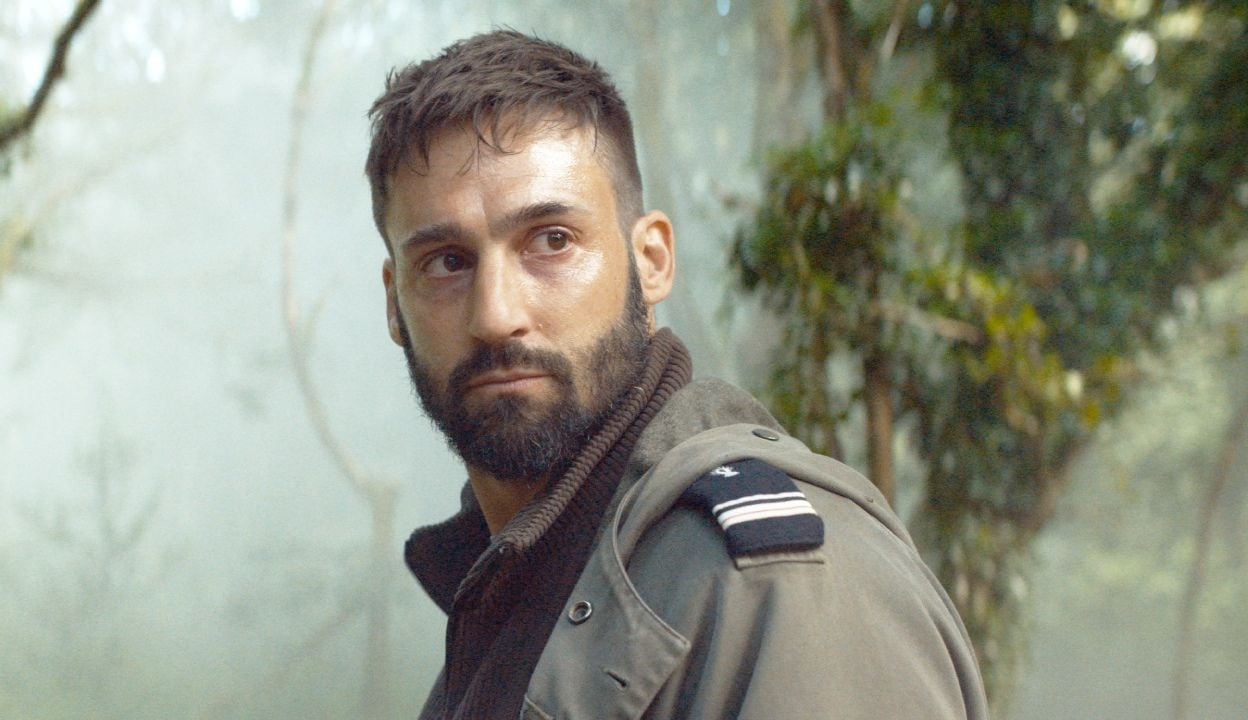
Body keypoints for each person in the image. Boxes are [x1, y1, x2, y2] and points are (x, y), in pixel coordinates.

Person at [365, 29, 989, 720]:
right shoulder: (509, 590)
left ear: (652, 261)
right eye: (447, 262)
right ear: (394, 303)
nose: (495, 315)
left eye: (551, 241)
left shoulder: (778, 585)